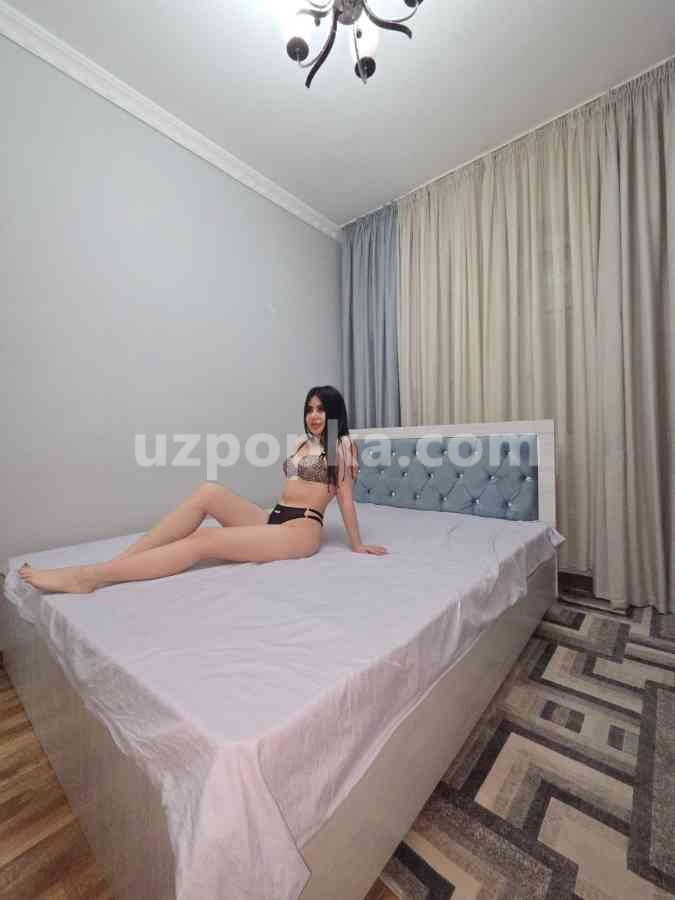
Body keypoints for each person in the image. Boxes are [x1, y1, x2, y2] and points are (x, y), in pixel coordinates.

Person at [19, 385, 387, 594]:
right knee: (209, 491)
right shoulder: (302, 443)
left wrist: (356, 544)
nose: (314, 415)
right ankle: (118, 564)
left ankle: (90, 577)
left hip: (300, 530)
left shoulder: (342, 446)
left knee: (205, 540)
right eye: (309, 409)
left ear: (334, 412)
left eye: (321, 409)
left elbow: (345, 500)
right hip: (274, 518)